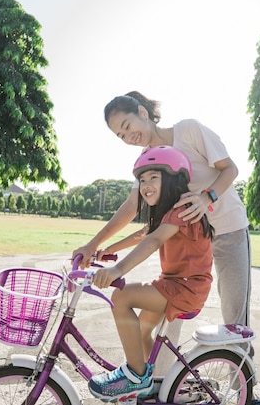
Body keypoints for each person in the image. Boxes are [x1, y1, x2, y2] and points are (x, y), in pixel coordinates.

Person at [74, 91, 252, 331]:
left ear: (143, 113)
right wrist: (93, 245)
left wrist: (204, 198)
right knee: (168, 317)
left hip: (227, 228)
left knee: (235, 317)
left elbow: (230, 169)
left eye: (127, 126)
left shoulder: (189, 131)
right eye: (121, 135)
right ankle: (160, 370)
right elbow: (132, 205)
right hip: (186, 240)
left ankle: (240, 368)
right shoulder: (148, 159)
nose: (128, 137)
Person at [87, 145, 215, 401]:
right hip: (173, 284)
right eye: (142, 180)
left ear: (173, 180)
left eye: (153, 177)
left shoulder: (182, 209)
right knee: (143, 332)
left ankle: (135, 376)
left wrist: (117, 269)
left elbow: (153, 240)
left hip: (185, 288)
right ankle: (152, 383)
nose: (145, 185)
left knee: (122, 297)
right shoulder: (169, 212)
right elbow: (145, 233)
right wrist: (109, 250)